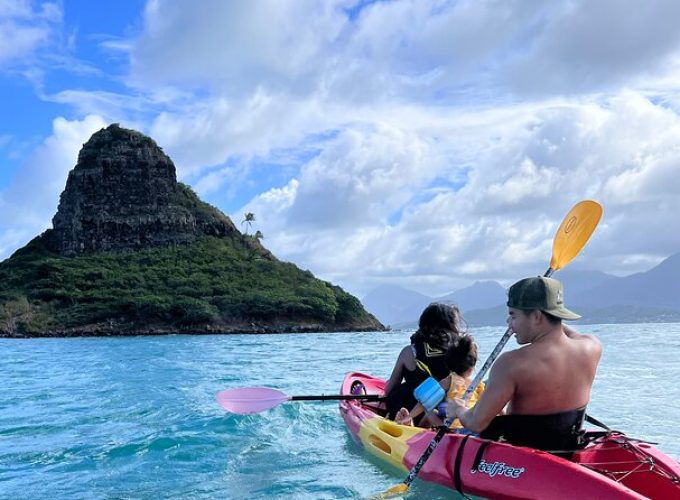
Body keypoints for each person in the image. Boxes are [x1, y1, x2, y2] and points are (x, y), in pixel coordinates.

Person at [447, 276, 602, 454]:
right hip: (567, 447)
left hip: (524, 456)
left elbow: (476, 422)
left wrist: (458, 409)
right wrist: (550, 314)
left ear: (536, 316)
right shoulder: (592, 347)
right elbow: (560, 328)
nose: (509, 325)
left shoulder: (511, 363)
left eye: (513, 315)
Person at [383, 303, 463, 423]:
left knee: (396, 392)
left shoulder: (410, 351)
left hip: (412, 408)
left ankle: (409, 421)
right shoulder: (459, 352)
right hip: (447, 408)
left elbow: (390, 389)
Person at [394, 334, 484, 428]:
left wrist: (409, 417)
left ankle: (416, 430)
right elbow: (492, 406)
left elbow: (425, 402)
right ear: (472, 366)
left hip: (449, 428)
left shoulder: (450, 381)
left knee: (430, 411)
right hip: (469, 426)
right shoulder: (478, 384)